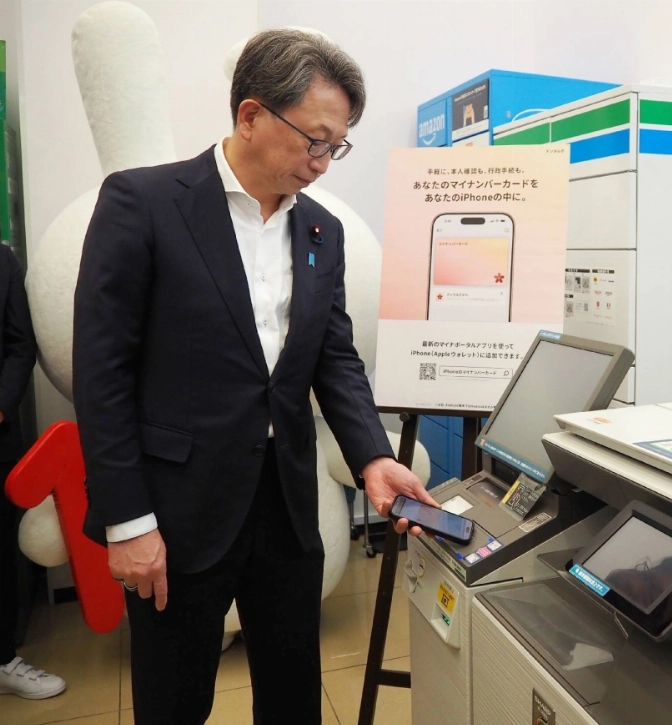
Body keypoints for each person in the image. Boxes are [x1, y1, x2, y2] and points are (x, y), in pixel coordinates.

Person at [72, 29, 437, 725]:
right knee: (175, 699)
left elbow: (334, 356)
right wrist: (127, 519)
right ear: (250, 116)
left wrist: (373, 457)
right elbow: (103, 372)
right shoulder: (144, 204)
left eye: (339, 145)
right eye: (316, 140)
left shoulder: (321, 233)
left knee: (293, 691)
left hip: (286, 508)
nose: (325, 162)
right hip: (176, 510)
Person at [0, 243, 66, 699]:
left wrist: (2, 406)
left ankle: (3, 660)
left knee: (0, 551)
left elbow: (19, 343)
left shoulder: (3, 261)